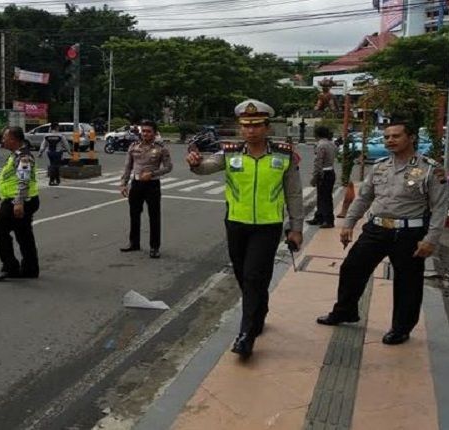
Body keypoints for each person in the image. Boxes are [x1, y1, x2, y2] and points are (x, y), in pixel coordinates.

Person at [316, 116, 449, 345]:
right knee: (351, 268)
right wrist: (348, 223)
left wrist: (431, 239)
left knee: (408, 282)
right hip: (376, 230)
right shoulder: (379, 167)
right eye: (387, 136)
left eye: (396, 136)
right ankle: (346, 311)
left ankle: (401, 328)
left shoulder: (430, 170)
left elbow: (439, 207)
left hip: (409, 235)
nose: (390, 140)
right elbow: (364, 197)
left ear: (411, 138)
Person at [186, 99, 304, 359]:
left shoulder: (283, 154)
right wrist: (194, 163)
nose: (251, 131)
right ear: (241, 128)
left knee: (253, 276)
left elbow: (294, 194)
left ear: (267, 127)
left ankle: (245, 335)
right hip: (236, 224)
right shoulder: (230, 153)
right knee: (243, 275)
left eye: (257, 126)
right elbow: (205, 168)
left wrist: (296, 227)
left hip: (268, 226)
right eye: (246, 126)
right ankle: (259, 312)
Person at [0, 126, 40, 281]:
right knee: (23, 234)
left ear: (14, 139)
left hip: (18, 200)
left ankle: (10, 266)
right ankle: (30, 268)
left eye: (5, 137)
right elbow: (8, 177)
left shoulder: (23, 156)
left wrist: (18, 202)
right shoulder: (14, 155)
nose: (2, 140)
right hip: (21, 199)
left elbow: (23, 180)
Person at [119, 119, 173, 259]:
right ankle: (134, 243)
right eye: (143, 131)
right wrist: (123, 183)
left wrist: (153, 174)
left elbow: (168, 167)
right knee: (134, 214)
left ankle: (154, 247)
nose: (145, 134)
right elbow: (127, 166)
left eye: (149, 131)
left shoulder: (161, 149)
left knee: (154, 216)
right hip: (136, 184)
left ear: (155, 133)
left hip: (152, 185)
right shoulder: (133, 146)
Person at [307, 126, 337, 228]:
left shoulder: (320, 146)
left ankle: (328, 220)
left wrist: (314, 178)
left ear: (317, 134)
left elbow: (318, 163)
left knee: (324, 198)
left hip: (323, 173)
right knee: (324, 197)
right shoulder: (331, 144)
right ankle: (319, 217)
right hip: (331, 171)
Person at [38, 121, 71, 186]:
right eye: (58, 127)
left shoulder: (47, 136)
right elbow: (66, 144)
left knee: (53, 165)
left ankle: (57, 179)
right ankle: (52, 180)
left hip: (50, 152)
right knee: (55, 166)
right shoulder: (60, 136)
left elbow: (43, 145)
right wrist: (69, 151)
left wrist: (40, 152)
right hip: (58, 153)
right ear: (56, 127)